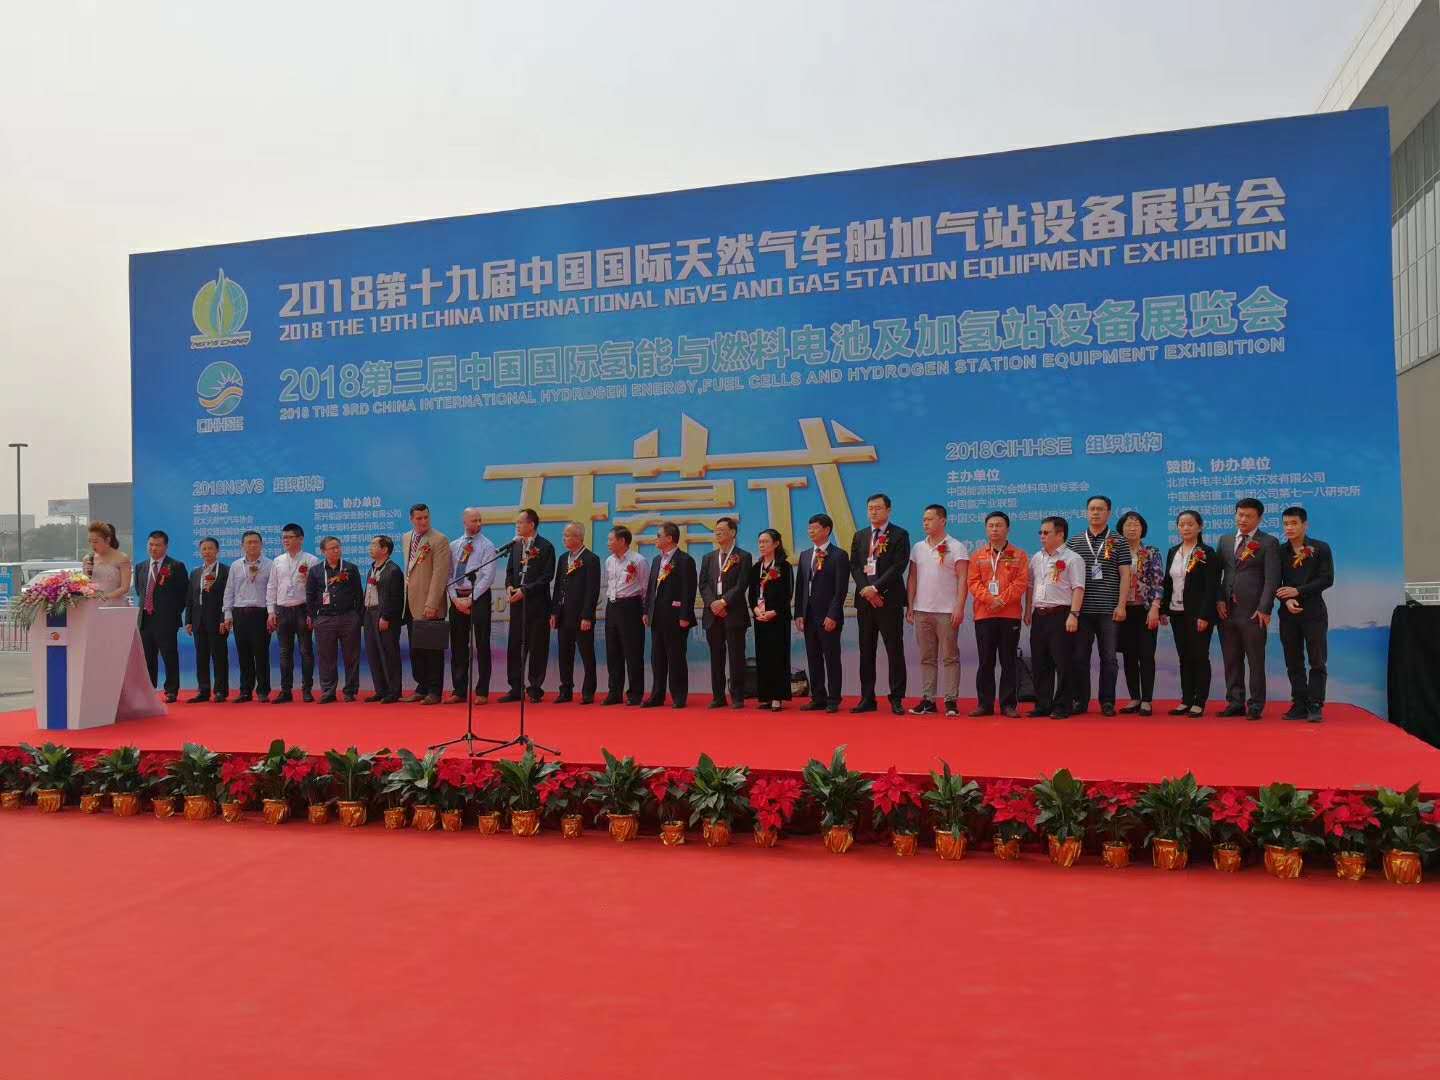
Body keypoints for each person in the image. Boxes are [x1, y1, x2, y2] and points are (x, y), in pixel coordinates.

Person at [1066, 496, 1132, 717]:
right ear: (1086, 512)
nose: (1095, 513)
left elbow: (1125, 576)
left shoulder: (1119, 541)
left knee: (1109, 658)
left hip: (1109, 610)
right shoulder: (1074, 542)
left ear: (1109, 513)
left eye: (1100, 509)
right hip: (1082, 611)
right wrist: (1072, 611)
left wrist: (1121, 605)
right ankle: (1080, 700)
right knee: (1079, 657)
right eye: (1092, 509)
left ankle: (1107, 701)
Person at [1217, 498, 1281, 720]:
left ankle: (1255, 705)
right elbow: (1218, 574)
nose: (1243, 519)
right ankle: (1235, 702)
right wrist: (1219, 600)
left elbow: (1272, 579)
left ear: (1259, 518)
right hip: (1227, 612)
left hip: (1253, 612)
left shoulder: (1268, 542)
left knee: (1255, 660)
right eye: (1240, 514)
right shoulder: (1225, 540)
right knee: (1231, 659)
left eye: (1248, 516)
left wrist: (1264, 608)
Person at [849, 493, 911, 715]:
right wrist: (867, 590)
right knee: (866, 650)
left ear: (888, 510)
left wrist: (876, 588)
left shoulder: (900, 534)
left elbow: (898, 566)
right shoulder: (860, 535)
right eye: (870, 508)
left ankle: (896, 698)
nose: (873, 512)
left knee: (894, 649)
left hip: (888, 600)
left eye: (878, 508)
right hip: (865, 601)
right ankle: (867, 698)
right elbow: (855, 566)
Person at [906, 504, 969, 717]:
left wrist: (959, 606)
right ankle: (928, 700)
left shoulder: (956, 547)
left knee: (950, 657)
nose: (925, 523)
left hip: (947, 611)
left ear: (943, 520)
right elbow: (912, 578)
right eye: (924, 519)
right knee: (927, 657)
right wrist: (910, 605)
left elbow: (963, 579)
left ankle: (951, 700)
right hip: (922, 610)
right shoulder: (918, 548)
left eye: (930, 519)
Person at [967, 512, 1028, 717]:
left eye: (999, 525)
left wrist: (1001, 600)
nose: (994, 529)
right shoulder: (978, 555)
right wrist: (990, 600)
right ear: (986, 529)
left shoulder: (1019, 555)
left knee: (1008, 660)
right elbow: (973, 582)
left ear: (1007, 529)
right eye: (991, 526)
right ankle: (985, 704)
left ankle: (1008, 704)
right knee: (986, 661)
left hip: (1009, 615)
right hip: (984, 615)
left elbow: (1021, 582)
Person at [1276, 506, 1334, 723]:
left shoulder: (1320, 548)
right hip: (1288, 613)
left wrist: (1298, 591)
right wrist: (1286, 599)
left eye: (1294, 523)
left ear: (1305, 525)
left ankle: (1315, 703)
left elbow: (1327, 579)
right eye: (1285, 524)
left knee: (1317, 659)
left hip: (1314, 612)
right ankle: (1299, 703)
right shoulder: (1280, 551)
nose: (1289, 528)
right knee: (1293, 660)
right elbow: (1274, 581)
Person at [1023, 516, 1085, 718]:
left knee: (1063, 662)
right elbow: (1030, 585)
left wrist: (1074, 614)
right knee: (1040, 662)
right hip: (1039, 615)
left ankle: (1063, 705)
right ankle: (1043, 704)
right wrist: (1028, 610)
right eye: (1040, 532)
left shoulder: (1073, 558)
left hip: (1061, 614)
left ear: (1060, 534)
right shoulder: (1036, 557)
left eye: (1046, 532)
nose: (1042, 536)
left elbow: (1078, 588)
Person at [1160, 510, 1219, 717]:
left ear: (1200, 527)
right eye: (1182, 524)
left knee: (1200, 656)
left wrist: (1205, 615)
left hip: (1198, 614)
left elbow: (1211, 587)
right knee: (1184, 657)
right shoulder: (1173, 551)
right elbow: (1168, 583)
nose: (1185, 528)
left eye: (1190, 524)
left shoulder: (1207, 552)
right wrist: (1163, 609)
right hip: (1177, 612)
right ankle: (1186, 699)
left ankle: (1199, 701)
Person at [794, 513, 849, 714]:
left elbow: (840, 589)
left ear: (827, 530)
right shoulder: (805, 555)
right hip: (808, 616)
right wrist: (798, 613)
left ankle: (833, 698)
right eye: (809, 528)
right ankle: (818, 697)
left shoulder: (839, 555)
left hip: (828, 616)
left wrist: (833, 614)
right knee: (813, 657)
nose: (811, 531)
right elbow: (801, 587)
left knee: (831, 658)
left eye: (815, 528)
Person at [500, 508, 555, 704]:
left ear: (531, 524)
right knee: (515, 646)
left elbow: (547, 577)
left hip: (538, 605)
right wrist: (509, 587)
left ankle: (535, 688)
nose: (517, 525)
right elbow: (509, 572)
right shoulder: (515, 546)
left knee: (537, 647)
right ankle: (516, 688)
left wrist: (525, 590)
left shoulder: (546, 546)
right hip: (517, 605)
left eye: (520, 522)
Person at [400, 503, 452, 706]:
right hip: (411, 602)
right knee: (417, 649)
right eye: (419, 518)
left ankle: (434, 691)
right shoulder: (406, 537)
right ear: (411, 519)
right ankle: (421, 687)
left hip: (430, 604)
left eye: (426, 517)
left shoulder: (439, 539)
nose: (423, 521)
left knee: (432, 650)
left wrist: (432, 603)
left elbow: (440, 574)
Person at [699, 516, 753, 710]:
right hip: (712, 614)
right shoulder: (708, 557)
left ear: (733, 532)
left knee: (736, 656)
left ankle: (738, 696)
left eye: (722, 529)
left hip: (734, 612)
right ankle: (718, 696)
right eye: (716, 530)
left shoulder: (743, 556)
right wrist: (713, 603)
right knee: (716, 656)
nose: (718, 532)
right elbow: (703, 584)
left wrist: (723, 602)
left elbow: (742, 584)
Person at [643, 522, 697, 708]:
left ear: (669, 538)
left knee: (676, 658)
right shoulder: (656, 560)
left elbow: (688, 590)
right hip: (657, 616)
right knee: (657, 658)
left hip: (676, 617)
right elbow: (651, 588)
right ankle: (657, 695)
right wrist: (646, 611)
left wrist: (685, 616)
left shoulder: (684, 560)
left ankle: (679, 696)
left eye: (659, 535)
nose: (656, 539)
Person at [448, 509, 498, 705]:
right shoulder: (454, 545)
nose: (478, 523)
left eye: (479, 520)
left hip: (479, 597)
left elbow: (488, 576)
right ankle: (459, 690)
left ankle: (482, 691)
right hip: (457, 598)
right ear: (464, 522)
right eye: (474, 520)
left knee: (482, 644)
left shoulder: (487, 545)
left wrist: (471, 599)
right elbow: (449, 575)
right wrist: (455, 599)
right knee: (458, 645)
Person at [1116, 511, 1163, 716]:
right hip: (1123, 610)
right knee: (1128, 655)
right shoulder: (1115, 552)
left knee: (1146, 654)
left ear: (1143, 529)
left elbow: (1158, 581)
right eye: (1128, 525)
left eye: (1136, 525)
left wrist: (1155, 608)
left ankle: (1147, 700)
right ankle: (1134, 697)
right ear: (1121, 529)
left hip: (1145, 610)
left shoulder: (1151, 552)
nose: (1132, 528)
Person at [266, 522, 319, 704]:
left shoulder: (311, 560)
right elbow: (272, 586)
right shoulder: (278, 561)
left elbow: (316, 590)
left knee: (306, 651)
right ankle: (286, 691)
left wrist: (312, 613)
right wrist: (271, 611)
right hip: (282, 610)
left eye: (289, 537)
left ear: (300, 539)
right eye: (284, 538)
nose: (286, 540)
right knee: (284, 652)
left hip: (303, 609)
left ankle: (307, 690)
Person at [306, 536, 363, 703]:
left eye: (338, 547)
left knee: (351, 656)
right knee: (326, 657)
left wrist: (357, 617)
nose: (336, 550)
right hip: (325, 619)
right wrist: (314, 617)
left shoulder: (350, 568)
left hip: (348, 617)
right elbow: (310, 596)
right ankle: (328, 691)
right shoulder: (315, 571)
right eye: (332, 548)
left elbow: (358, 594)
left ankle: (350, 691)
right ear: (323, 551)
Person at [134, 530, 187, 702]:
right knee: (147, 658)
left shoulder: (176, 566)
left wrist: (171, 614)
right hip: (145, 619)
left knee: (169, 656)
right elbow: (139, 591)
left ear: (165, 546)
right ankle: (149, 690)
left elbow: (183, 595)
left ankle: (171, 690)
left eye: (157, 545)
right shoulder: (140, 567)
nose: (153, 548)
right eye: (151, 544)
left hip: (166, 621)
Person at [551, 522, 601, 704]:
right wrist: (554, 612)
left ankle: (588, 691)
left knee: (587, 654)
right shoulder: (563, 558)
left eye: (568, 535)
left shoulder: (591, 559)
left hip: (581, 616)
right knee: (564, 654)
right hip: (563, 614)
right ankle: (566, 690)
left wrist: (587, 616)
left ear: (579, 538)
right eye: (564, 535)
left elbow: (592, 590)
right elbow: (558, 587)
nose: (564, 539)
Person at [221, 530, 272, 703]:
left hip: (260, 613)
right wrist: (228, 614)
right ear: (242, 545)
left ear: (261, 544)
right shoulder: (236, 565)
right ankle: (245, 690)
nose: (252, 545)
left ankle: (263, 690)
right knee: (244, 654)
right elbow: (229, 590)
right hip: (240, 613)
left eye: (255, 542)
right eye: (248, 542)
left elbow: (272, 591)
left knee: (261, 654)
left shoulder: (270, 565)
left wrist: (272, 613)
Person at [748, 528, 794, 712]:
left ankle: (777, 696)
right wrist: (755, 609)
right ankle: (766, 695)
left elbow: (788, 593)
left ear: (776, 544)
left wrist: (774, 611)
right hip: (760, 617)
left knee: (778, 656)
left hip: (778, 618)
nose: (762, 545)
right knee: (763, 656)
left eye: (766, 541)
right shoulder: (756, 568)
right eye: (760, 542)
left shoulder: (784, 566)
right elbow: (752, 594)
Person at [602, 525, 648, 706]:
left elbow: (645, 587)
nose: (608, 543)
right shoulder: (609, 561)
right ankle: (614, 692)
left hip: (631, 606)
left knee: (633, 651)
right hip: (612, 605)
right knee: (612, 652)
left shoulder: (638, 560)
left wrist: (644, 611)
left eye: (610, 539)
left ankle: (635, 693)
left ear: (622, 541)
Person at [184, 537, 229, 703]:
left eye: (210, 548)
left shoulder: (225, 571)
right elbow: (190, 598)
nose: (207, 551)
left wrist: (224, 618)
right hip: (198, 621)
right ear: (200, 552)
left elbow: (228, 597)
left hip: (218, 621)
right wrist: (188, 620)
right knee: (201, 657)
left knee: (219, 657)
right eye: (204, 549)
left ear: (217, 551)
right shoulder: (195, 572)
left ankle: (220, 691)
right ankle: (203, 690)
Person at [363, 535, 405, 704]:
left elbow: (396, 598)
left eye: (374, 545)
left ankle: (393, 691)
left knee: (389, 653)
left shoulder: (393, 570)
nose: (370, 547)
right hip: (369, 614)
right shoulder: (372, 568)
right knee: (373, 653)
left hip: (385, 616)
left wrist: (386, 616)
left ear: (385, 549)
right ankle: (380, 690)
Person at [82, 521, 131, 606]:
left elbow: (125, 588)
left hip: (115, 605)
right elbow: (85, 586)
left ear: (107, 540)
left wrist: (106, 596)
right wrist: (87, 576)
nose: (92, 545)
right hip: (94, 605)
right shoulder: (87, 559)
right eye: (90, 541)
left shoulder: (122, 558)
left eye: (95, 542)